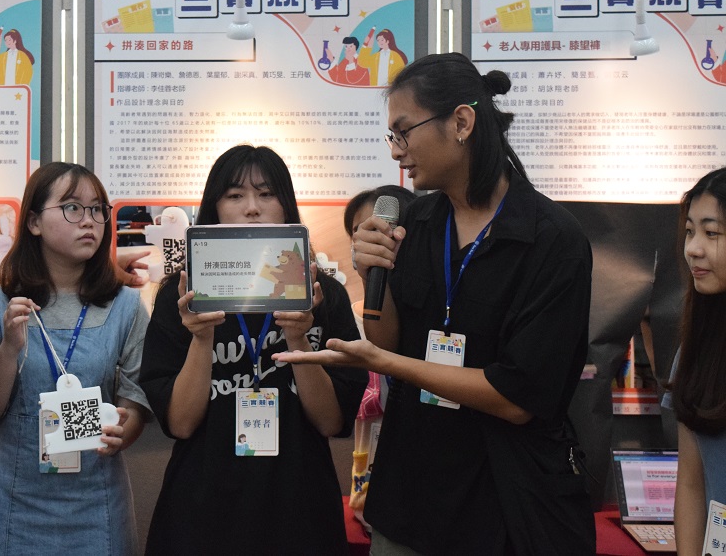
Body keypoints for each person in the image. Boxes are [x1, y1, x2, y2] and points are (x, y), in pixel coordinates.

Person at [275, 52, 594, 555]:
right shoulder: (415, 224)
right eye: (391, 136)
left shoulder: (551, 239)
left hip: (510, 502)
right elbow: (388, 340)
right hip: (411, 495)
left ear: (461, 123)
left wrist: (387, 364)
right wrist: (373, 275)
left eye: (404, 132)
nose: (397, 152)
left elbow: (517, 401)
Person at [140, 144, 368, 555]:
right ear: (213, 206)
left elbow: (331, 421)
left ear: (286, 206)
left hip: (299, 503)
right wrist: (202, 338)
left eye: (266, 194)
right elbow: (181, 424)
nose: (251, 208)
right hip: (203, 505)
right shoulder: (182, 296)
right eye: (234, 195)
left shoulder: (323, 294)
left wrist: (298, 338)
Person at [0, 162, 150, 555]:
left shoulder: (126, 306)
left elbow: (136, 400)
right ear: (34, 222)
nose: (89, 221)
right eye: (72, 207)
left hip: (97, 505)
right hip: (14, 503)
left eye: (97, 209)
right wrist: (9, 349)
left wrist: (126, 430)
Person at [341, 185, 417, 529]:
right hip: (372, 480)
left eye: (381, 230)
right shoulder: (348, 315)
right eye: (359, 232)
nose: (368, 241)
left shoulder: (433, 312)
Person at [669, 168, 726, 554]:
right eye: (690, 231)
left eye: (712, 233)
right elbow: (690, 483)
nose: (693, 248)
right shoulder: (696, 349)